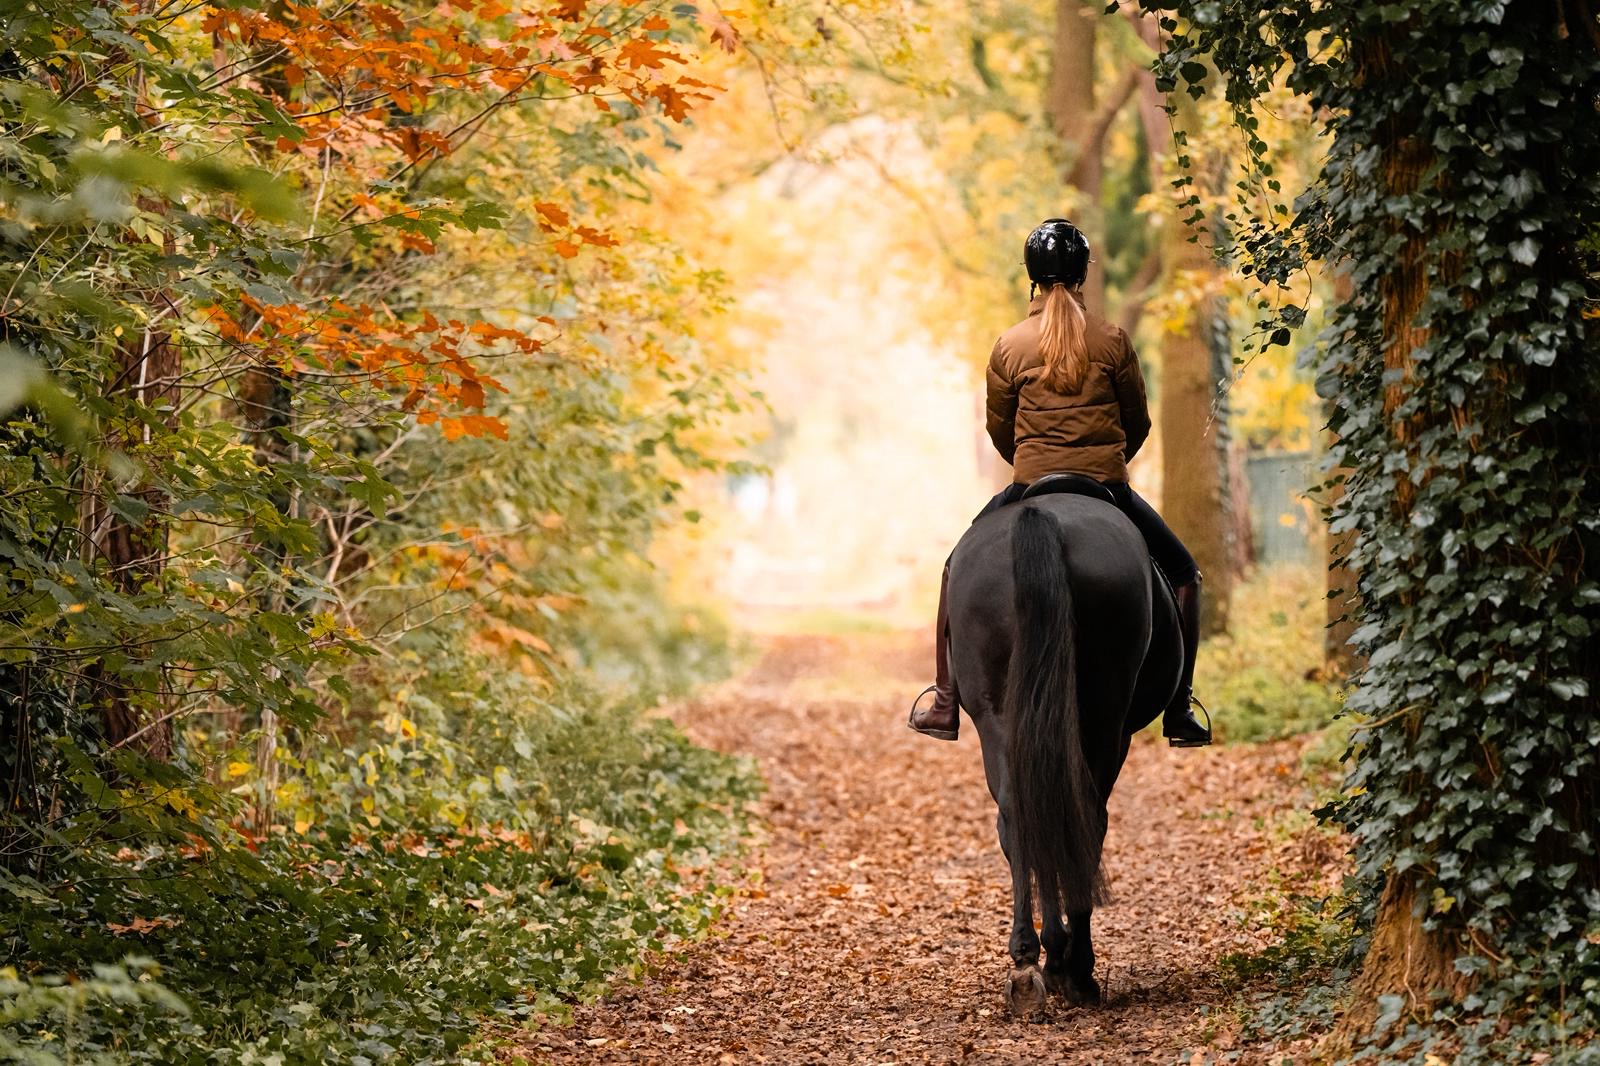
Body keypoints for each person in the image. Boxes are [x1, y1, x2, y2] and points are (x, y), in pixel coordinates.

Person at [908, 218, 1211, 747]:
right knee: (1185, 574)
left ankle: (945, 701)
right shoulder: (1113, 340)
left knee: (955, 568)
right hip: (1106, 484)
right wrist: (1107, 464)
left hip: (1031, 481)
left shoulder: (1009, 346)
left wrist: (1031, 462)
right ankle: (1180, 708)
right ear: (1081, 275)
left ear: (1032, 275)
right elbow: (1136, 422)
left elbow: (1000, 428)